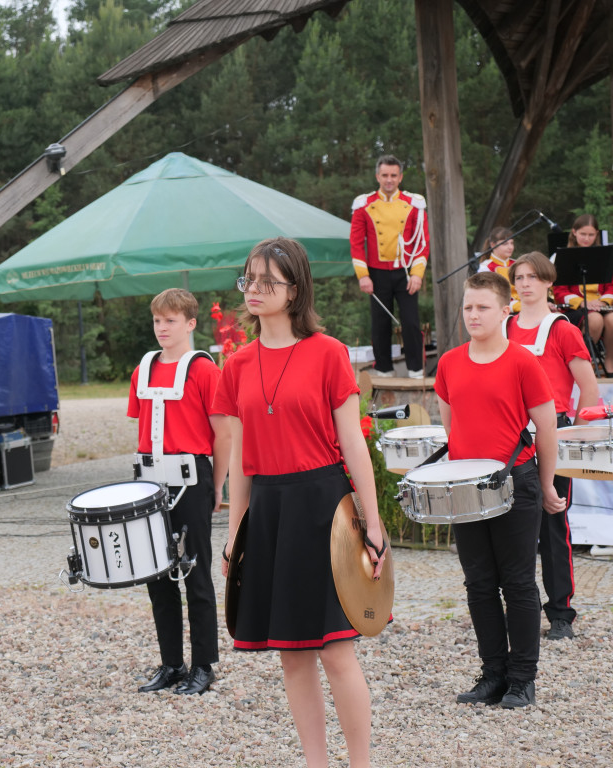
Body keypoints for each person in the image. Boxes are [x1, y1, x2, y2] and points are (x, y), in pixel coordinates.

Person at [216, 238, 386, 768]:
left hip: (323, 506)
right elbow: (242, 456)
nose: (256, 290)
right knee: (291, 654)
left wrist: (373, 522)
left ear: (296, 290)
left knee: (336, 650)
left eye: (269, 280)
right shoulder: (237, 364)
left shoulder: (329, 352)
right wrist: (233, 533)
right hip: (269, 509)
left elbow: (353, 443)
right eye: (250, 279)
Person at [436, 271, 565, 710]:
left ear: (504, 310)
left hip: (516, 482)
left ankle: (522, 679)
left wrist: (547, 485)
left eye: (482, 307)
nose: (473, 314)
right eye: (468, 307)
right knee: (478, 583)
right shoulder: (449, 362)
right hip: (467, 488)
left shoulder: (523, 361)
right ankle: (492, 675)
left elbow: (546, 429)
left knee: (518, 583)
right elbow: (451, 429)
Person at [128, 288, 229, 695]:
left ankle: (204, 666)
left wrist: (217, 486)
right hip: (150, 481)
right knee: (157, 575)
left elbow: (223, 434)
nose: (162, 328)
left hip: (193, 478)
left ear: (190, 323)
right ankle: (171, 663)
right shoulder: (143, 370)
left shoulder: (205, 371)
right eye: (157, 321)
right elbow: (139, 427)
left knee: (195, 574)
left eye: (170, 321)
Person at [507, 252, 600, 640]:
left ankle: (561, 613)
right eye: (520, 277)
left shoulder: (562, 329)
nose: (526, 283)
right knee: (509, 525)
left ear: (548, 282)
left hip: (553, 433)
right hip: (511, 436)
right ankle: (517, 608)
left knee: (553, 523)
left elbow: (589, 388)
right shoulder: (504, 326)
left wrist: (572, 434)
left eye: (533, 277)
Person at [350, 154, 430, 378]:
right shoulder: (363, 205)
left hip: (405, 272)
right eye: (384, 175)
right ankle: (383, 369)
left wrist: (417, 274)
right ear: (377, 176)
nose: (389, 180)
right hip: (376, 273)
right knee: (380, 323)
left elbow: (422, 242)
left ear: (400, 177)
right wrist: (363, 275)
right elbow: (356, 244)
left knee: (411, 322)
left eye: (393, 175)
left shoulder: (414, 204)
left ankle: (416, 370)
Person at [550, 214, 613, 377]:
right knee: (595, 319)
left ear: (596, 234)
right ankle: (584, 362)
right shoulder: (564, 256)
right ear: (574, 232)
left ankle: (609, 360)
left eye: (591, 235)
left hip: (600, 304)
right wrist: (582, 303)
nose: (587, 238)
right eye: (583, 234)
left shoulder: (604, 256)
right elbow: (560, 291)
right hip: (575, 308)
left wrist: (603, 302)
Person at [478, 226, 520, 311]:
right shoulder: (485, 267)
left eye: (511, 243)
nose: (510, 247)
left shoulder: (518, 264)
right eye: (505, 244)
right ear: (493, 244)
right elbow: (489, 296)